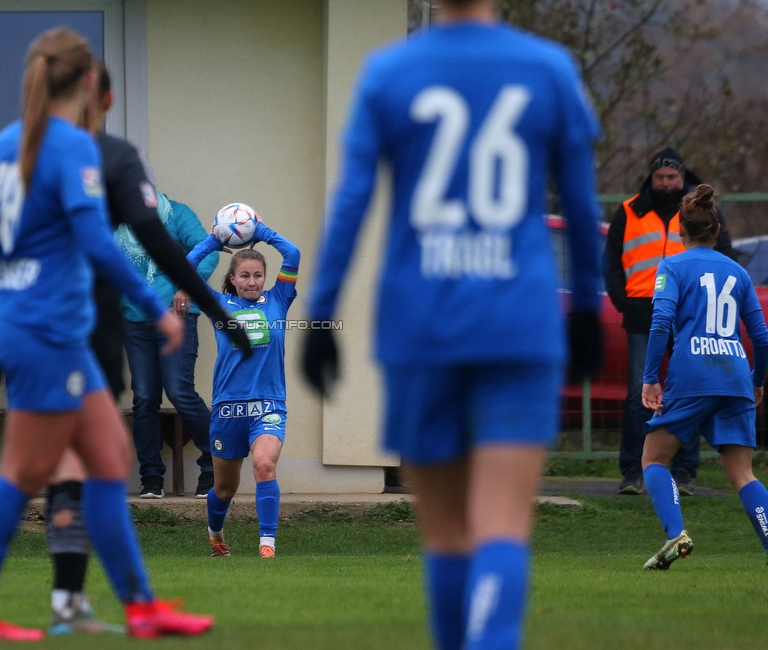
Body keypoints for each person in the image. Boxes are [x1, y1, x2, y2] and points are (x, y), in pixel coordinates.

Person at [301, 1, 603, 648]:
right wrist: (584, 309)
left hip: (420, 323)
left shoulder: (388, 72)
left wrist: (321, 316)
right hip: (519, 321)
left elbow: (352, 200)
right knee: (501, 523)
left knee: (444, 533)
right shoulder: (547, 67)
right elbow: (581, 205)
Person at [0, 29, 213, 641]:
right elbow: (95, 242)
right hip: (47, 334)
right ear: (90, 83)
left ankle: (141, 607)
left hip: (26, 329)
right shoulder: (74, 149)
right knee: (23, 474)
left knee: (110, 462)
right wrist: (155, 304)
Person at [639, 184, 768, 570]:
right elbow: (760, 335)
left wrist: (650, 377)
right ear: (716, 231)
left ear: (681, 231)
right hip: (735, 377)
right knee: (743, 474)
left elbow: (661, 321)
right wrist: (757, 378)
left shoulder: (673, 267)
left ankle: (677, 534)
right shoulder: (739, 273)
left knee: (653, 460)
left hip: (693, 375)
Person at [605, 148, 736, 496]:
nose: (665, 182)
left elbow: (723, 254)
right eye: (660, 176)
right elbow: (611, 261)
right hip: (641, 311)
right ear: (652, 177)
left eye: (672, 177)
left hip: (689, 315)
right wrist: (623, 300)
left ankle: (684, 471)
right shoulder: (629, 210)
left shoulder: (697, 212)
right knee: (638, 393)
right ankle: (633, 468)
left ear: (682, 178)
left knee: (686, 392)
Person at [188, 219, 300, 559]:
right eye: (244, 276)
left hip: (268, 405)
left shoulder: (279, 300)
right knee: (224, 488)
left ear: (265, 278)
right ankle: (216, 533)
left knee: (264, 464)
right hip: (228, 409)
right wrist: (212, 240)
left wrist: (263, 231)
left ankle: (267, 546)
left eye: (257, 275)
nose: (252, 282)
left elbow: (292, 253)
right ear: (233, 279)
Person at [120, 192, 217, 500]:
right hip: (134, 320)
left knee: (179, 392)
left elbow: (208, 251)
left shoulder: (176, 214)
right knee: (144, 397)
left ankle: (214, 465)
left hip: (176, 317)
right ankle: (151, 477)